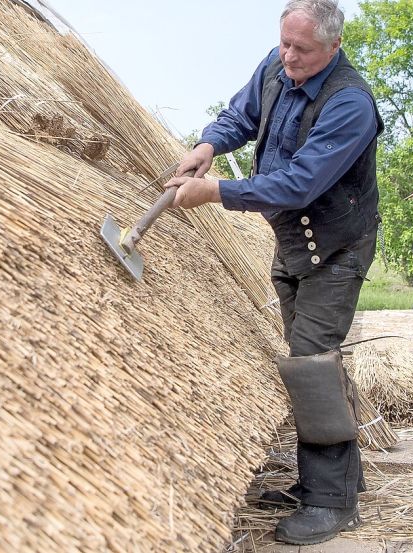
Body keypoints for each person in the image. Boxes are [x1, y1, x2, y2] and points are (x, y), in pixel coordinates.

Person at [164, 0, 383, 546]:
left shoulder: (350, 104)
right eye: (284, 43)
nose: (288, 56)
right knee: (313, 362)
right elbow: (241, 115)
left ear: (333, 47)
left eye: (302, 49)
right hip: (292, 243)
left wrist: (216, 191)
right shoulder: (278, 65)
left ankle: (331, 503)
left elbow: (299, 183)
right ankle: (340, 477)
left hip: (337, 247)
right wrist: (207, 146)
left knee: (310, 362)